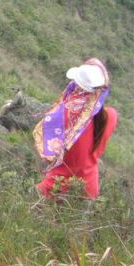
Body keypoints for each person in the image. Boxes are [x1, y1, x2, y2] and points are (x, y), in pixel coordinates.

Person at [33, 58, 118, 200]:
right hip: (89, 189)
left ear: (76, 87)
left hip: (55, 188)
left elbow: (47, 150)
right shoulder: (110, 116)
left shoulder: (63, 116)